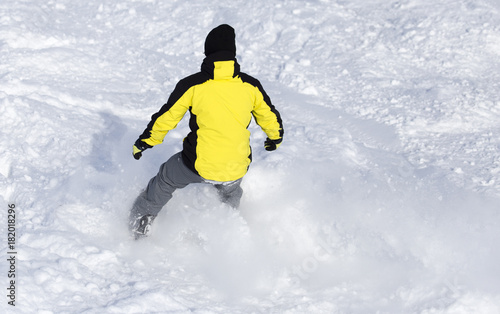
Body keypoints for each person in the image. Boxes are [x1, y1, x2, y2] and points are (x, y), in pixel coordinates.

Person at [129, 24, 284, 239]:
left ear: (207, 52)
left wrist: (145, 142)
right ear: (233, 54)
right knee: (230, 189)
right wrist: (274, 138)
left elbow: (167, 118)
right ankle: (227, 228)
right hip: (236, 165)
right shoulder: (250, 86)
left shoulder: (193, 85)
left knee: (165, 179)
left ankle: (142, 221)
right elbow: (269, 117)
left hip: (195, 165)